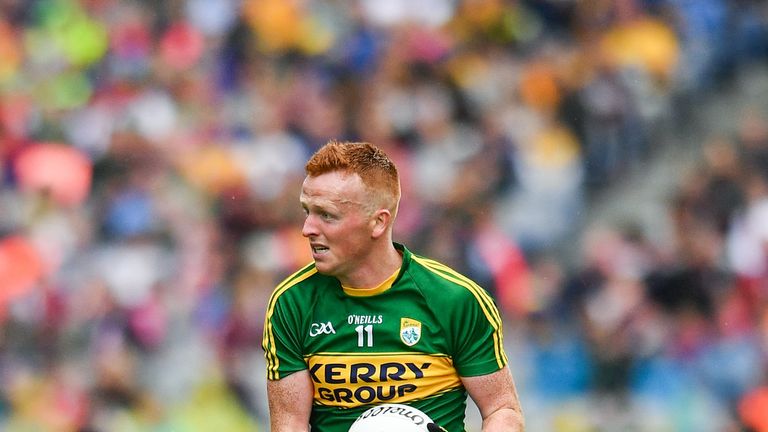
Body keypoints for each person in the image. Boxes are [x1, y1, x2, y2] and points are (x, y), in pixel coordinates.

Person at [262, 140, 525, 432]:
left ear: (378, 222)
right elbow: (290, 424)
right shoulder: (291, 303)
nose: (307, 229)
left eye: (326, 215)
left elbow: (501, 409)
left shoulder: (456, 299)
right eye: (307, 211)